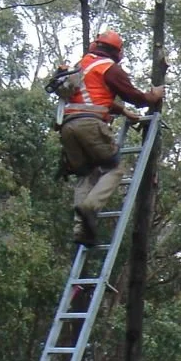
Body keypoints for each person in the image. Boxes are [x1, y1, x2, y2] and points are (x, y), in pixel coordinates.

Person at [58, 30, 165, 246]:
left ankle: (81, 229)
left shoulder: (81, 65)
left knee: (86, 174)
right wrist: (152, 96)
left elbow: (91, 97)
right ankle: (90, 207)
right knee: (115, 168)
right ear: (117, 51)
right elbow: (133, 96)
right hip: (90, 125)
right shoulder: (108, 68)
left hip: (68, 127)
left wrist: (122, 111)